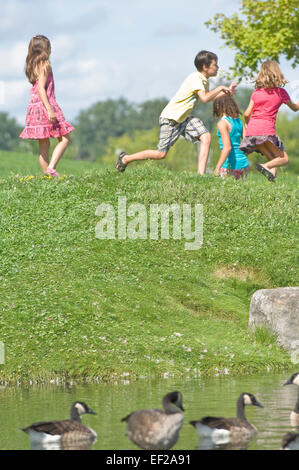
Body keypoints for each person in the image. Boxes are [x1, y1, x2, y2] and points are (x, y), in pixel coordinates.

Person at [115, 50, 235, 175]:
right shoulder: (196, 78)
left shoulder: (204, 80)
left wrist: (227, 93)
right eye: (215, 65)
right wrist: (220, 88)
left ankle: (201, 175)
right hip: (170, 119)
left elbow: (208, 97)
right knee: (160, 154)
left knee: (206, 136)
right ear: (205, 67)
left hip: (183, 119)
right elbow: (205, 98)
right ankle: (126, 158)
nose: (217, 67)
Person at [19, 35, 74, 176]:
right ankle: (51, 168)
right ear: (45, 48)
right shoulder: (44, 64)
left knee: (44, 144)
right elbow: (41, 89)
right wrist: (50, 110)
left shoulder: (32, 65)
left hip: (35, 108)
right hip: (46, 105)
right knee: (65, 138)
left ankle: (47, 176)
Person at [239, 60, 299, 182]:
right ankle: (265, 166)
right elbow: (295, 108)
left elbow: (246, 113)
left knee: (272, 157)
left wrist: (247, 125)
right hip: (267, 129)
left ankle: (271, 181)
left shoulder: (256, 92)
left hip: (253, 130)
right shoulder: (281, 93)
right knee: (284, 159)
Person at [213, 94, 249, 180]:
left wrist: (217, 168)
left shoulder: (222, 123)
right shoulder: (239, 122)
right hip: (244, 164)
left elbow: (227, 148)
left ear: (218, 106)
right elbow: (247, 145)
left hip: (229, 165)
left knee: (224, 192)